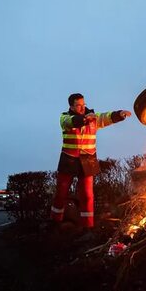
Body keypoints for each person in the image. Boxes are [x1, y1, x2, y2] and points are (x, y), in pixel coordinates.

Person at [50, 93, 131, 236]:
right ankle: (55, 221)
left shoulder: (94, 118)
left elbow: (106, 117)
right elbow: (71, 121)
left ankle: (87, 227)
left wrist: (120, 114)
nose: (82, 108)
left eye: (84, 104)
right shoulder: (64, 118)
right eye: (78, 105)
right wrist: (84, 119)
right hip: (69, 158)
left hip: (88, 159)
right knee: (61, 193)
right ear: (71, 106)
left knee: (87, 195)